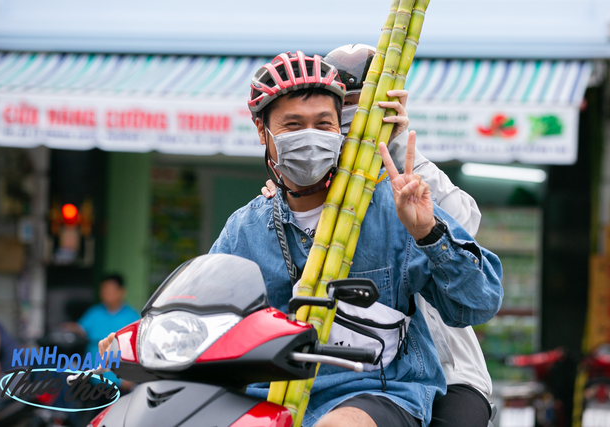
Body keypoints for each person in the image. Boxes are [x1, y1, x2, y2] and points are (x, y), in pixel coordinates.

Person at [98, 51, 502, 427]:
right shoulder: (246, 228)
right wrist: (138, 342)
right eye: (293, 125)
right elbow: (197, 314)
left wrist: (427, 232)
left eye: (324, 124)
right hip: (266, 400)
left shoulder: (391, 207)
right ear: (263, 131)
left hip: (375, 394)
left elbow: (478, 302)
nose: (311, 137)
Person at [260, 45, 493, 427]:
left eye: (362, 104)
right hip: (350, 382)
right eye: (344, 105)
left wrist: (398, 145)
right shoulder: (302, 193)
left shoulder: (398, 182)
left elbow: (465, 223)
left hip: (447, 369)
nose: (353, 116)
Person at [76, 274, 139, 391]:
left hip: (119, 383)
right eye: (103, 289)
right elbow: (79, 330)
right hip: (92, 381)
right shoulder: (95, 313)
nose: (105, 292)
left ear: (121, 291)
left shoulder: (132, 317)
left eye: (110, 289)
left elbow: (136, 350)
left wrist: (130, 377)